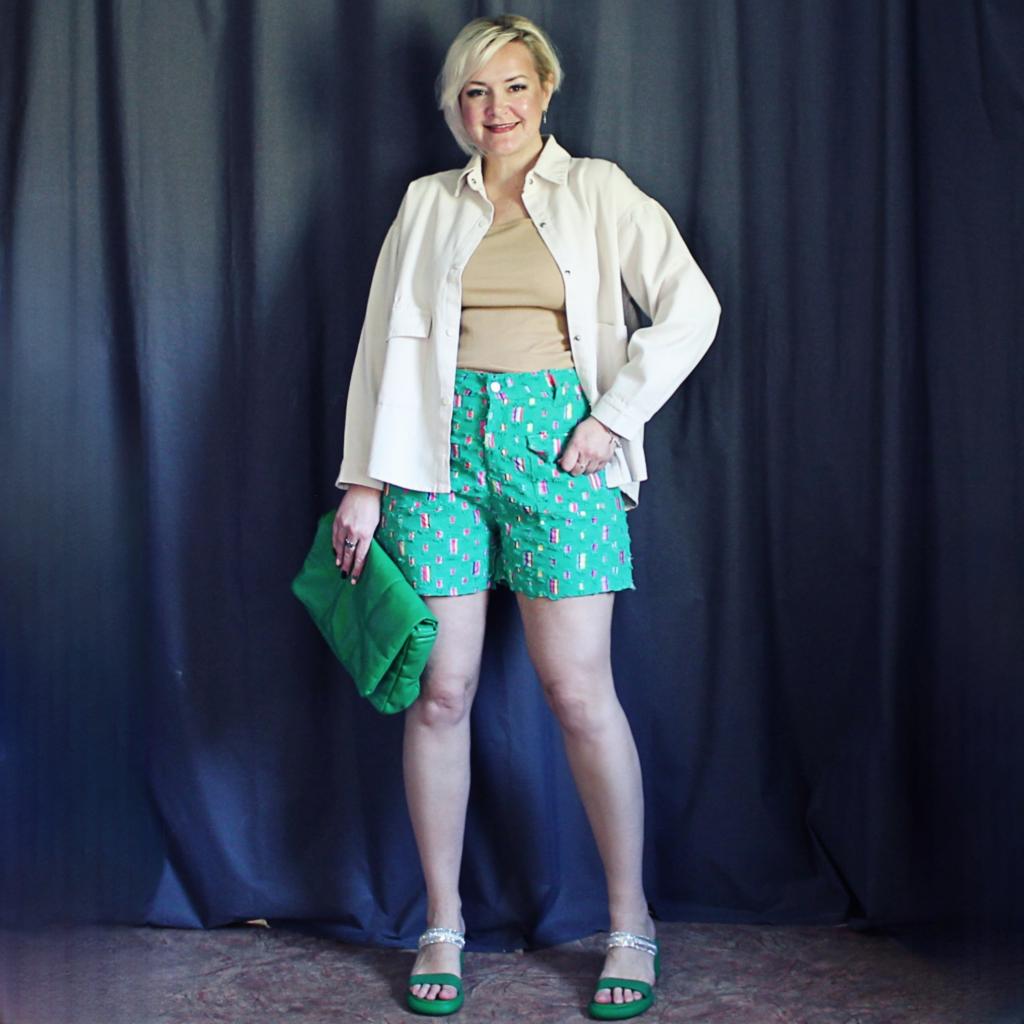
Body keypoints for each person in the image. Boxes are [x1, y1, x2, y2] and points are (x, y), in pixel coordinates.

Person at [331, 14, 720, 1019]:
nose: (494, 109)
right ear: (455, 108)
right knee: (440, 691)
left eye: (512, 87)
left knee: (578, 692)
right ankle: (442, 923)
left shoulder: (597, 191)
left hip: (559, 452)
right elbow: (379, 343)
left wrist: (613, 416)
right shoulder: (426, 204)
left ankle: (630, 922)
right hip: (434, 455)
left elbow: (692, 308)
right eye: (475, 92)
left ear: (545, 92)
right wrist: (363, 478)